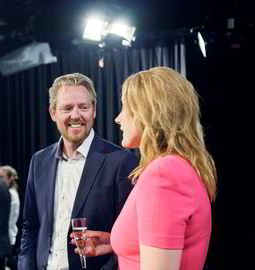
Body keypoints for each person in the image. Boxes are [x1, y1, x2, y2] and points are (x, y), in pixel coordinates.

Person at [74, 67, 217, 270]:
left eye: (125, 108)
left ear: (147, 112)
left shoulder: (164, 173)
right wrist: (114, 242)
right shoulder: (179, 166)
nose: (118, 118)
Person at [18, 73, 138, 270]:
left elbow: (130, 235)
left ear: (94, 111)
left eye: (83, 107)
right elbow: (30, 226)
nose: (75, 115)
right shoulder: (39, 161)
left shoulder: (121, 161)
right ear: (53, 113)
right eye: (67, 108)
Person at [0, 165, 21, 270]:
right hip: (9, 234)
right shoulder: (11, 192)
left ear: (9, 178)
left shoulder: (10, 193)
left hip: (7, 235)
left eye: (2, 176)